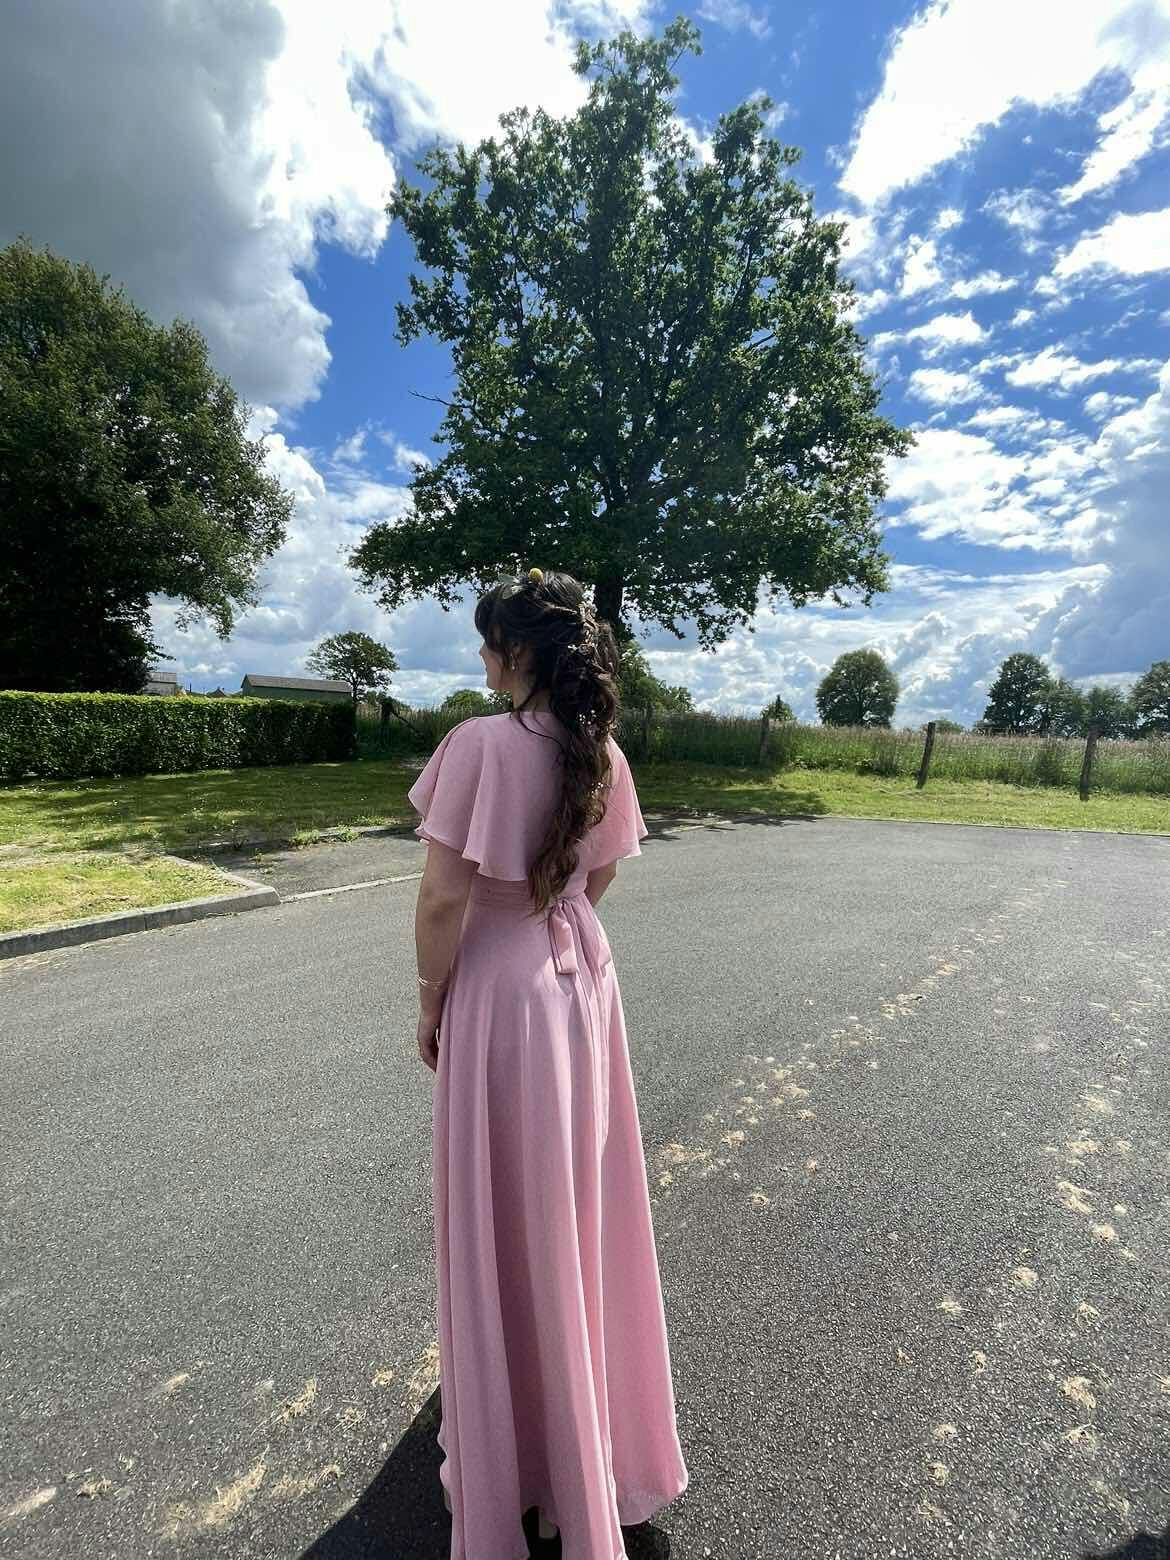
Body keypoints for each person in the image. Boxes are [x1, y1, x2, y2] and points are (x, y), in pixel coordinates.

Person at [407, 568, 689, 1560]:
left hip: (500, 987)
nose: (482, 659)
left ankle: (514, 1445)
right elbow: (598, 872)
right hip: (580, 981)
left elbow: (443, 897)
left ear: (519, 652)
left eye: (490, 642)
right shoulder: (600, 750)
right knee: (575, 1201)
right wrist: (555, 921)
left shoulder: (478, 745)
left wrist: (432, 997)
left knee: (504, 1206)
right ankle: (580, 1434)